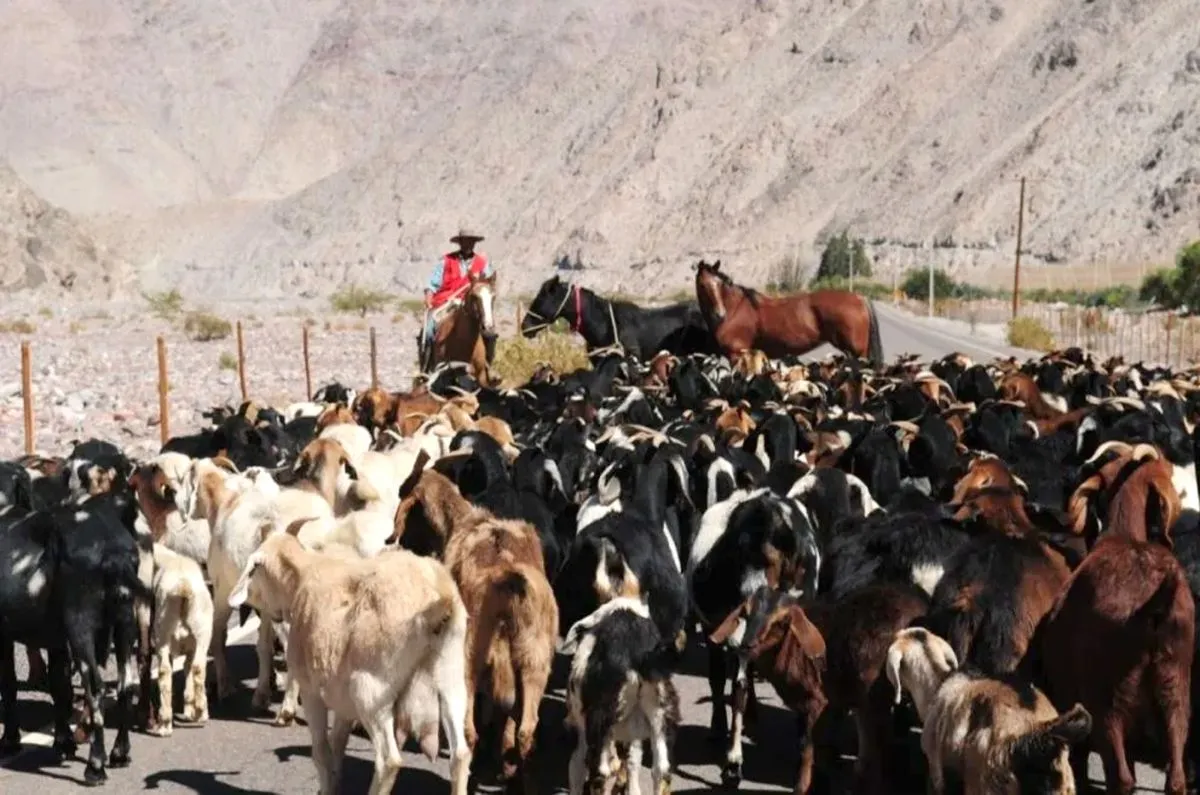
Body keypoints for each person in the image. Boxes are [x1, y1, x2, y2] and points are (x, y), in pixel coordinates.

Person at [418, 228, 496, 368]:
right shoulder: (447, 260)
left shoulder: (482, 263)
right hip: (447, 303)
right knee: (428, 330)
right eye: (465, 241)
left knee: (489, 331)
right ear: (460, 243)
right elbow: (432, 284)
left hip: (473, 304)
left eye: (471, 241)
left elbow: (489, 284)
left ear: (474, 243)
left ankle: (488, 367)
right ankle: (426, 367)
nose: (468, 244)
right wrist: (429, 296)